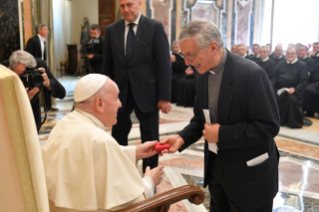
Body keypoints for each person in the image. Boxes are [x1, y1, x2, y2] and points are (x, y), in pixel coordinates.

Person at [161, 20, 280, 212]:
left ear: (213, 47)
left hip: (250, 177)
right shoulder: (202, 73)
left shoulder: (251, 74)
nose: (187, 62)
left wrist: (223, 134)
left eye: (190, 55)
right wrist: (181, 137)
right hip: (217, 172)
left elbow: (268, 126)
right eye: (183, 55)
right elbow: (201, 120)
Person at [42, 74, 164, 212]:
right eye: (116, 97)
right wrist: (149, 181)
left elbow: (90, 155)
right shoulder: (100, 139)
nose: (120, 104)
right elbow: (131, 204)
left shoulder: (65, 123)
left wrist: (135, 152)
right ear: (100, 103)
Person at [103, 0, 171, 172]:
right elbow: (108, 66)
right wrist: (105, 95)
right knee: (118, 136)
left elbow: (164, 64)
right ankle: (121, 174)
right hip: (120, 94)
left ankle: (150, 175)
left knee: (150, 137)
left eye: (130, 5)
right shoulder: (112, 30)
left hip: (148, 93)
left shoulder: (154, 27)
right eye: (122, 6)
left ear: (139, 3)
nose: (126, 10)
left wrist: (164, 97)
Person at [8, 50, 65, 132]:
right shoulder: (4, 70)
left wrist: (48, 83)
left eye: (29, 74)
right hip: (12, 119)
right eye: (22, 75)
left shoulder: (40, 66)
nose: (26, 78)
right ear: (10, 70)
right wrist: (21, 99)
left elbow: (62, 93)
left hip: (33, 118)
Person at [273, 47, 308, 128]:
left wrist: (295, 89)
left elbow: (304, 81)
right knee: (272, 97)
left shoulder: (302, 65)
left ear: (296, 54)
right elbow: (274, 78)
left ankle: (293, 122)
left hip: (294, 92)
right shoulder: (280, 64)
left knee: (291, 100)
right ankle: (277, 120)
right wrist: (272, 88)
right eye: (288, 53)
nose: (290, 55)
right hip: (280, 90)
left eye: (292, 53)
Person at [25, 24, 58, 111]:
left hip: (43, 67)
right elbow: (27, 55)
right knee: (35, 88)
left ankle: (48, 107)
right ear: (39, 30)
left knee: (47, 84)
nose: (48, 31)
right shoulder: (32, 40)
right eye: (45, 29)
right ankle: (33, 109)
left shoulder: (44, 42)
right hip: (34, 68)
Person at [299, 45, 319, 117]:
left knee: (307, 89)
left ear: (306, 51)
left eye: (302, 50)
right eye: (299, 50)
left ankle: (309, 112)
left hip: (307, 81)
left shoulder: (311, 61)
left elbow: (310, 73)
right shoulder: (295, 60)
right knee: (308, 90)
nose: (300, 52)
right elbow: (316, 73)